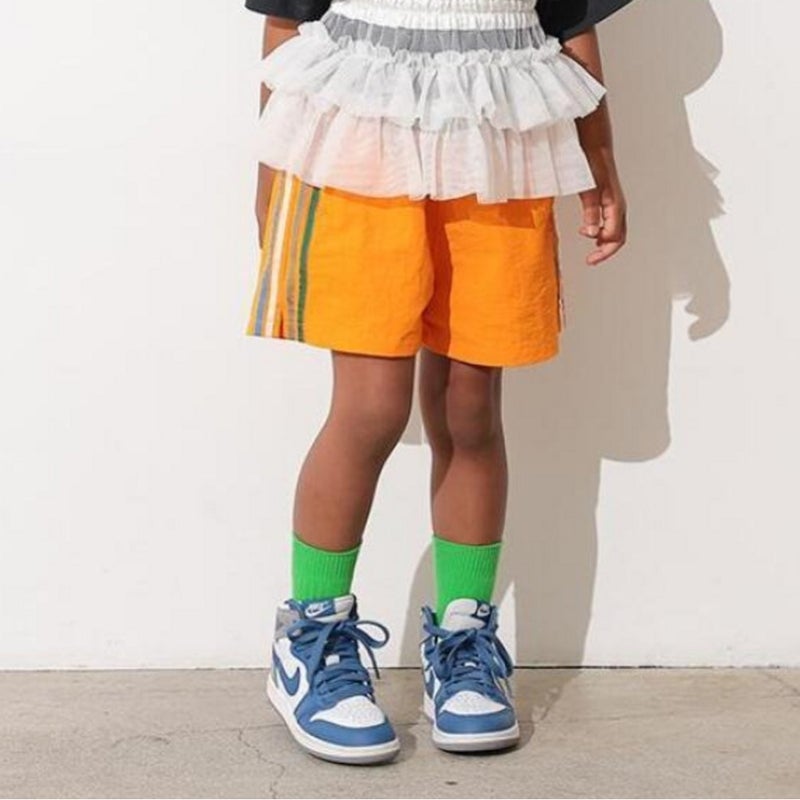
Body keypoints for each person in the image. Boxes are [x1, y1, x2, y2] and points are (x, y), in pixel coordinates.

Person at [245, 0, 632, 765]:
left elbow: (573, 20)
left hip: (497, 142)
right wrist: (269, 170)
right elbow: (285, 19)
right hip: (359, 138)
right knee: (371, 407)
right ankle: (311, 638)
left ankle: (463, 639)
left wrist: (602, 161)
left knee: (469, 406)